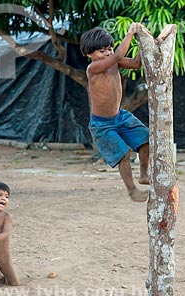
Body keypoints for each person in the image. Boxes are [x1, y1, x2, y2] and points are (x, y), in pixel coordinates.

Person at [80, 23, 150, 202]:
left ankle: (144, 173)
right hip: (101, 123)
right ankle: (132, 190)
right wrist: (130, 33)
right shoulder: (92, 68)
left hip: (120, 116)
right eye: (102, 51)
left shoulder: (115, 63)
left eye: (109, 49)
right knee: (123, 154)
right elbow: (119, 54)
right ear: (89, 54)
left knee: (146, 139)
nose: (108, 53)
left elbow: (135, 63)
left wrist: (143, 41)